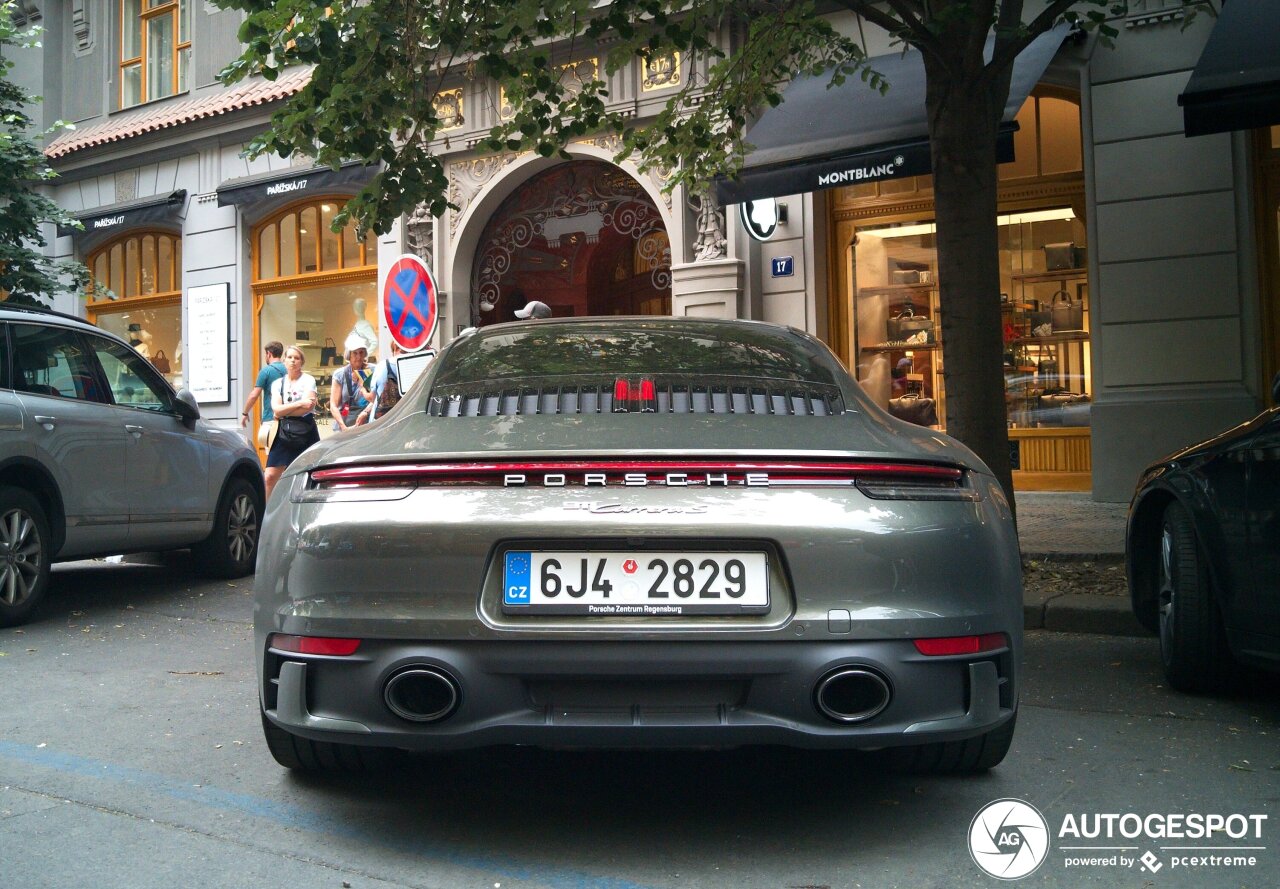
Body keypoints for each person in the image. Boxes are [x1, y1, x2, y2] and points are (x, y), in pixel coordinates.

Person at [264, 345, 320, 499]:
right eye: (289, 357)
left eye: (297, 358)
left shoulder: (308, 380)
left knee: (308, 476)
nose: (293, 361)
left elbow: (308, 407)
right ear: (284, 361)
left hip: (305, 430)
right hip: (283, 431)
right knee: (269, 476)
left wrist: (286, 409)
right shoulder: (277, 384)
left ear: (302, 361)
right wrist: (299, 403)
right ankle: (266, 515)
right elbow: (276, 409)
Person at [239, 341, 286, 445]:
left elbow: (254, 395)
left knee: (272, 453)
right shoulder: (288, 370)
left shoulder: (266, 371)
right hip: (289, 419)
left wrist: (245, 413)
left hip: (271, 418)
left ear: (269, 354)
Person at [331, 333, 374, 432]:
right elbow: (333, 405)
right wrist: (343, 427)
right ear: (348, 355)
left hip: (366, 423)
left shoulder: (372, 370)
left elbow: (375, 398)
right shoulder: (340, 374)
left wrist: (366, 412)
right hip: (345, 421)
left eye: (361, 352)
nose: (358, 357)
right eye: (355, 353)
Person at [369, 340, 403, 421]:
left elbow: (372, 397)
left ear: (394, 348)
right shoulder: (418, 364)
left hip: (382, 421)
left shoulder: (382, 365)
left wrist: (362, 389)